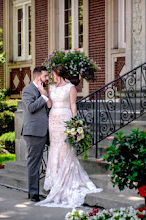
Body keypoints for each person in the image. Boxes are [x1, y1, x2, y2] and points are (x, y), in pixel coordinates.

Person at [35, 64, 102, 208]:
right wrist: (43, 92)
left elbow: (73, 106)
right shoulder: (51, 88)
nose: (51, 77)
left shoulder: (70, 87)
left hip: (65, 119)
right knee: (55, 148)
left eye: (52, 74)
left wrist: (75, 123)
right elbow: (49, 105)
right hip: (53, 120)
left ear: (58, 74)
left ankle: (65, 180)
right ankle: (56, 180)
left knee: (65, 149)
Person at [21, 66, 50, 202]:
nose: (48, 79)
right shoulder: (28, 90)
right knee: (34, 164)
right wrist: (43, 96)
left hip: (46, 130)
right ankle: (33, 194)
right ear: (38, 77)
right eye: (45, 76)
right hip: (33, 132)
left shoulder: (43, 89)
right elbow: (31, 108)